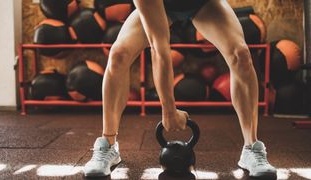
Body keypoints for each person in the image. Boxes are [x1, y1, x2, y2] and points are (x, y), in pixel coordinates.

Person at [83, 0, 277, 178]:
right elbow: (159, 48)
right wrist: (168, 110)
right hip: (159, 5)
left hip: (202, 5)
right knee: (118, 54)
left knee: (240, 54)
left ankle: (252, 147)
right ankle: (107, 145)